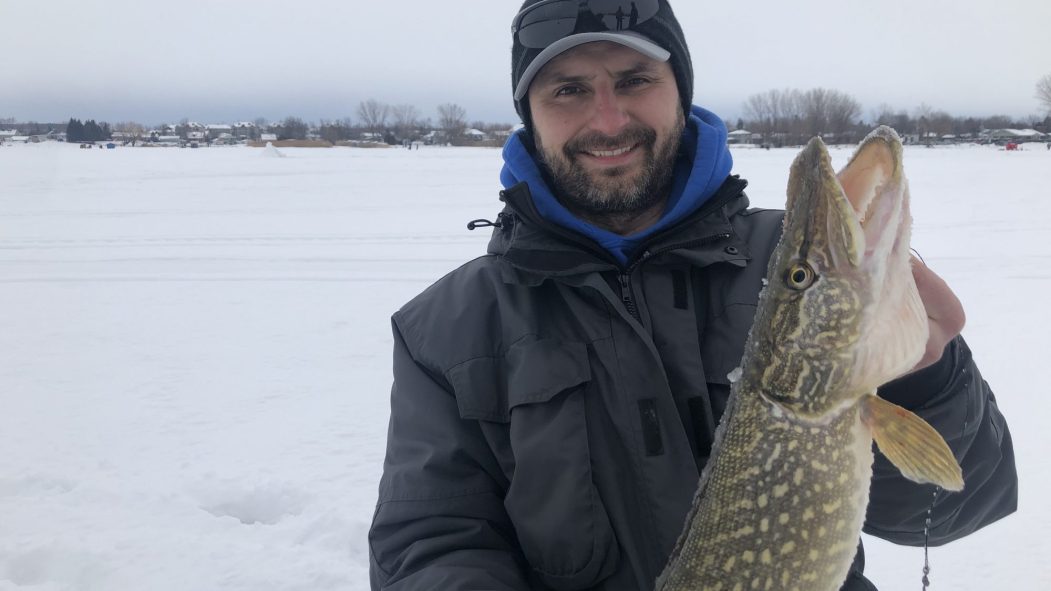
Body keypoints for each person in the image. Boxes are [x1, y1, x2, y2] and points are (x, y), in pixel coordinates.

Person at [368, 1, 1017, 589]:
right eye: (567, 90)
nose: (608, 117)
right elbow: (432, 542)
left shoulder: (774, 250)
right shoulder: (444, 329)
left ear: (679, 92)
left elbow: (953, 508)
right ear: (529, 116)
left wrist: (925, 380)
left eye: (634, 80)